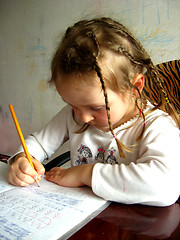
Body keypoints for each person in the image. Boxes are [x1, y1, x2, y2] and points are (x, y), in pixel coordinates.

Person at [8, 17, 180, 206]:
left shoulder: (158, 126)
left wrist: (85, 174)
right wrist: (23, 159)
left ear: (134, 87)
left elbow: (165, 187)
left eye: (96, 108)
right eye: (72, 104)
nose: (82, 117)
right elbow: (39, 143)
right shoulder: (73, 115)